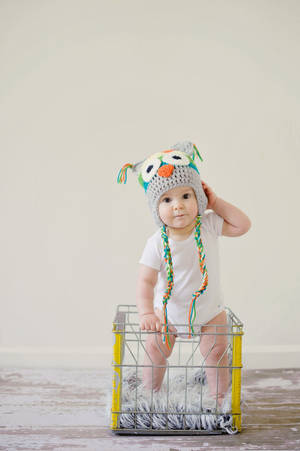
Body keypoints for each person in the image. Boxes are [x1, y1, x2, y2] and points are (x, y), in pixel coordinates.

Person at [117, 141, 251, 408]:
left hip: (210, 311)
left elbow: (242, 225)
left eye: (186, 196)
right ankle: (149, 392)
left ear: (199, 198)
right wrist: (147, 314)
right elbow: (146, 281)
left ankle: (217, 400)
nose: (177, 206)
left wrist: (216, 202)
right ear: (156, 208)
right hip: (166, 314)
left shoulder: (209, 225)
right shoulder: (156, 242)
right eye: (167, 200)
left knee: (216, 354)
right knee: (155, 351)